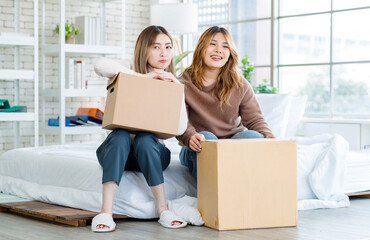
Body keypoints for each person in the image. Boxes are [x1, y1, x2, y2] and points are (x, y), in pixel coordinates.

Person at [91, 25, 188, 232]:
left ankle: (163, 209)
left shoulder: (172, 80)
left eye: (168, 47)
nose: (164, 53)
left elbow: (179, 130)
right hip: (118, 152)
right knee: (120, 134)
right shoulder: (126, 69)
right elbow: (100, 65)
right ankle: (106, 212)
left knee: (145, 137)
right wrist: (143, 79)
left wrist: (176, 91)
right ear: (144, 49)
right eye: (156, 47)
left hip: (150, 152)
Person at [177, 26, 275, 181]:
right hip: (197, 145)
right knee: (207, 138)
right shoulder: (183, 83)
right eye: (212, 44)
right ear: (201, 48)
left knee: (253, 136)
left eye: (225, 46)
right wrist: (190, 136)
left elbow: (254, 119)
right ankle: (211, 194)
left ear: (230, 53)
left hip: (231, 144)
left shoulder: (239, 84)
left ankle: (243, 188)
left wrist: (268, 136)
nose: (218, 50)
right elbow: (180, 121)